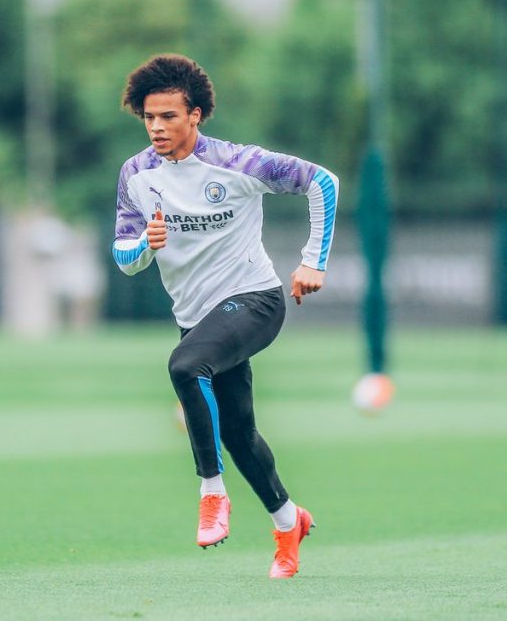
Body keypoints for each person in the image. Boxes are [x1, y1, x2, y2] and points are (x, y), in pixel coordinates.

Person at [111, 54, 338, 579]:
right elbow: (124, 258)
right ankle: (289, 522)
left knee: (185, 367)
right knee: (239, 434)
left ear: (195, 115)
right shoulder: (136, 174)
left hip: (255, 299)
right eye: (149, 117)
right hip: (198, 318)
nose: (157, 127)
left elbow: (321, 182)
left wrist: (312, 260)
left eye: (168, 116)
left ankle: (212, 493)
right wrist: (145, 242)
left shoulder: (238, 164)